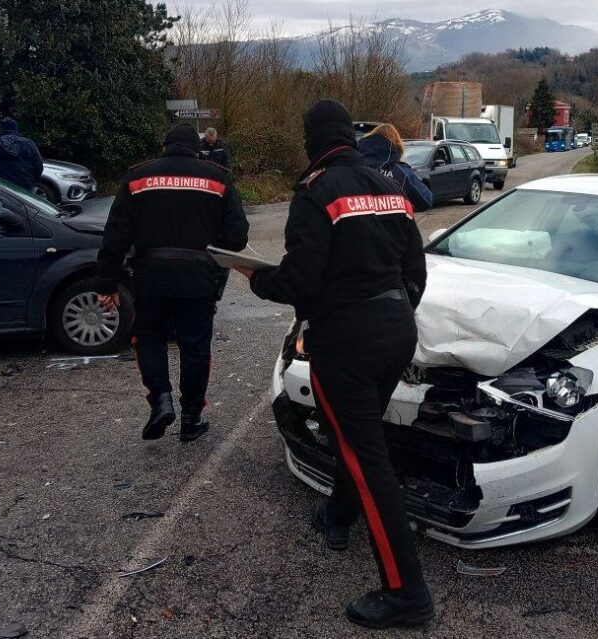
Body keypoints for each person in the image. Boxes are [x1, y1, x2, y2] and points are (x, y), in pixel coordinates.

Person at [234, 100, 432, 629]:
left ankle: (407, 592)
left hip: (345, 342)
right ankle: (338, 515)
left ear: (312, 141)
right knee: (357, 435)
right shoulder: (391, 186)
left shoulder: (315, 192)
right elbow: (416, 267)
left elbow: (299, 282)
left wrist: (256, 279)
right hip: (396, 330)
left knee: (369, 459)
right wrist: (395, 314)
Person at [95, 123, 248, 442]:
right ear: (197, 147)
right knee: (195, 347)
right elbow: (237, 237)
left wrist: (107, 283)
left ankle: (160, 400)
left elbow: (116, 234)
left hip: (151, 277)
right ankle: (192, 418)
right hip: (198, 277)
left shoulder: (138, 176)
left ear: (165, 146)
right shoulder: (217, 177)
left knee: (148, 339)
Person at [358, 124, 433, 213]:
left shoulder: (352, 168)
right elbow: (427, 200)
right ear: (397, 146)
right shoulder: (402, 173)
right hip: (393, 224)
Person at [0, 118, 44, 191]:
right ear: (16, 129)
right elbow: (39, 166)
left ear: (1, 129)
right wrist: (32, 180)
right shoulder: (29, 144)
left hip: (2, 186)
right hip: (26, 186)